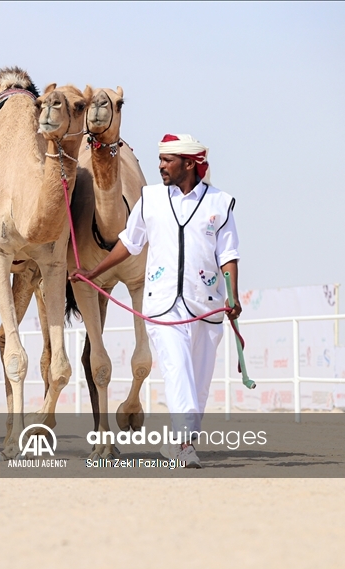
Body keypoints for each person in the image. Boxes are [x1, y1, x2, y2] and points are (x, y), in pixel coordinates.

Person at [70, 133, 241, 468]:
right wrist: (93, 271)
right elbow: (129, 243)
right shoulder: (150, 200)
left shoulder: (220, 204)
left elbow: (229, 254)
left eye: (168, 161)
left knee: (199, 381)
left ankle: (183, 443)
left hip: (207, 304)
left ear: (189, 164)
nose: (160, 166)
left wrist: (233, 294)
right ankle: (182, 445)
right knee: (177, 369)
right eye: (160, 159)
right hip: (163, 304)